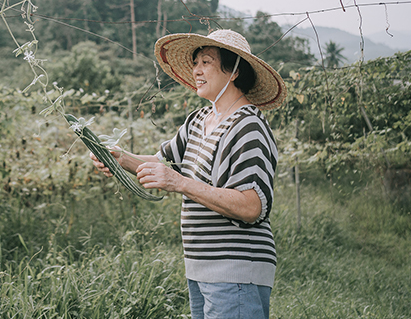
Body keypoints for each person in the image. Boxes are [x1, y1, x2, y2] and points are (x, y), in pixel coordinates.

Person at [91, 29, 286, 319]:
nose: (196, 70)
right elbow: (162, 164)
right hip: (200, 267)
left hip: (236, 270)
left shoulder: (248, 128)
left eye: (206, 62)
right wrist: (119, 158)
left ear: (232, 71)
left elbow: (251, 206)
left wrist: (181, 183)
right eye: (195, 63)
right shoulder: (198, 121)